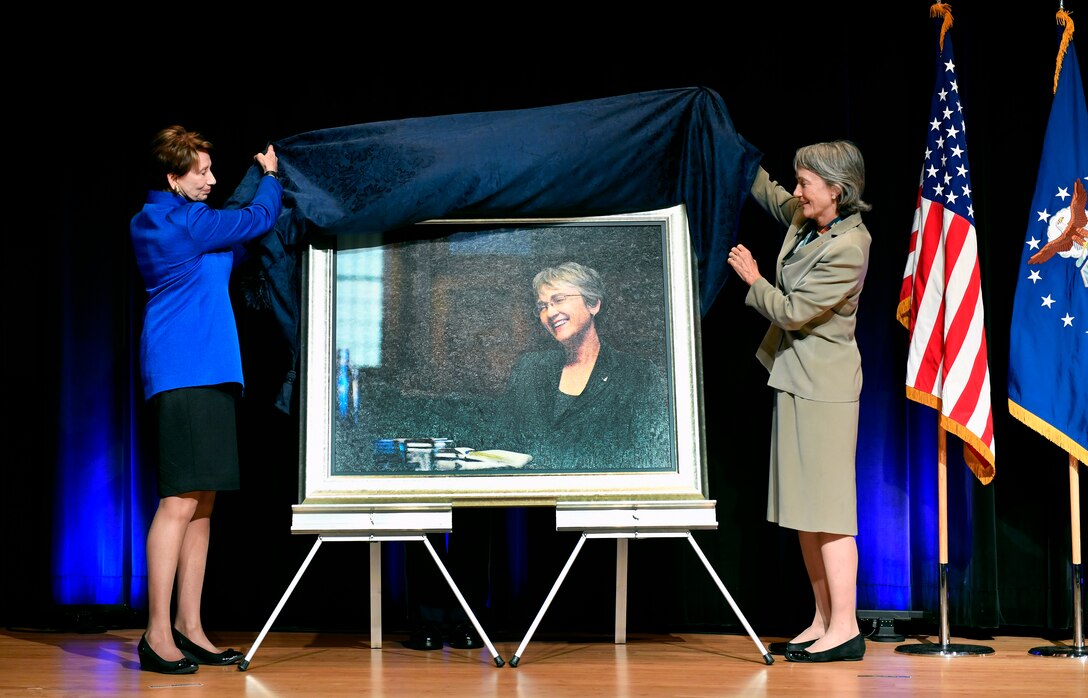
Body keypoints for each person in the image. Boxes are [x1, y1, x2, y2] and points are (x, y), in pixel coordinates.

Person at [129, 125, 284, 674]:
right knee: (178, 502)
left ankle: (190, 628)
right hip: (184, 371)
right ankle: (156, 634)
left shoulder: (189, 225)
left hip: (211, 372)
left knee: (204, 504)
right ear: (173, 179)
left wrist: (247, 187)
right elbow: (255, 219)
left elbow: (233, 241)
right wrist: (268, 177)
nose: (211, 180)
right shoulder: (174, 222)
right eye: (201, 173)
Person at [726, 140, 872, 663]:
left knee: (830, 513)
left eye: (807, 181)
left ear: (837, 189)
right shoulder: (811, 221)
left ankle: (847, 627)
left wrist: (753, 279)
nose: (800, 189)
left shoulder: (850, 246)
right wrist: (733, 153)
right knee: (806, 513)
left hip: (826, 390)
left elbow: (791, 312)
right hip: (793, 379)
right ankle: (822, 619)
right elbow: (772, 194)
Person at [491, 261, 670, 471]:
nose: (550, 313)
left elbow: (649, 457)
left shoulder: (638, 374)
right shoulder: (529, 368)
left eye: (559, 300)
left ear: (593, 303)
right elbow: (500, 444)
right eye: (542, 306)